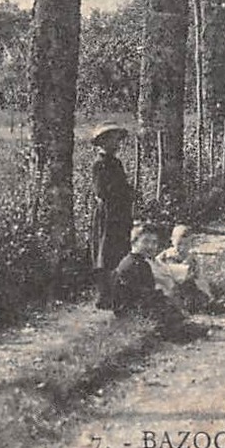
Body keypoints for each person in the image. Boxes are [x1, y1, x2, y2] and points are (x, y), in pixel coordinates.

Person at [113, 225, 208, 341]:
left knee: (168, 305)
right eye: (145, 242)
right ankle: (178, 329)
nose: (150, 246)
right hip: (131, 310)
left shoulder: (141, 262)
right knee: (166, 311)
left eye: (154, 243)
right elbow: (139, 294)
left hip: (139, 303)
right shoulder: (132, 264)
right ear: (134, 242)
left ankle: (182, 325)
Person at [89, 124, 136, 310]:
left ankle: (118, 293)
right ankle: (104, 295)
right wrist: (123, 194)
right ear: (104, 141)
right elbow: (101, 192)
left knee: (120, 250)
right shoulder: (99, 164)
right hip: (108, 214)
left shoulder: (115, 163)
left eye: (118, 139)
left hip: (120, 213)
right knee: (105, 251)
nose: (117, 143)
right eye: (114, 139)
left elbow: (122, 185)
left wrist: (130, 193)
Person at [155, 224, 223, 313]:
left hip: (187, 286)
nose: (181, 248)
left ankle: (207, 304)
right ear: (172, 241)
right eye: (178, 244)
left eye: (186, 244)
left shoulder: (191, 259)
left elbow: (199, 278)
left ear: (191, 244)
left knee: (198, 297)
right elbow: (155, 264)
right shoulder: (166, 254)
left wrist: (208, 293)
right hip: (170, 284)